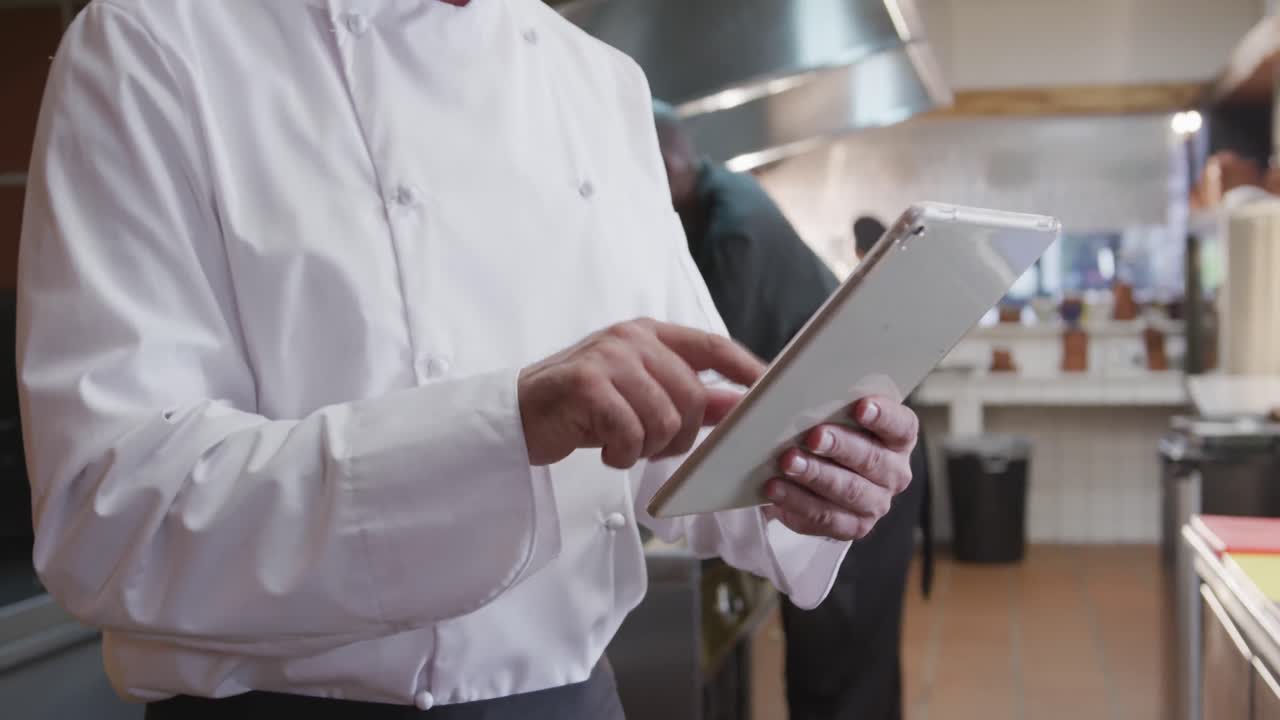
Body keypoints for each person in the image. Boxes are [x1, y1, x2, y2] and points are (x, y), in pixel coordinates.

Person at [17, 3, 919, 719]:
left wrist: (805, 467)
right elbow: (109, 512)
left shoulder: (597, 79)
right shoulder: (153, 44)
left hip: (575, 700)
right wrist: (508, 424)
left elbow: (692, 420)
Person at [653, 105, 930, 720]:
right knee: (846, 654)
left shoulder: (733, 229)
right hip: (839, 452)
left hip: (854, 460)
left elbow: (716, 378)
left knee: (841, 660)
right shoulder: (718, 203)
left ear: (668, 162)